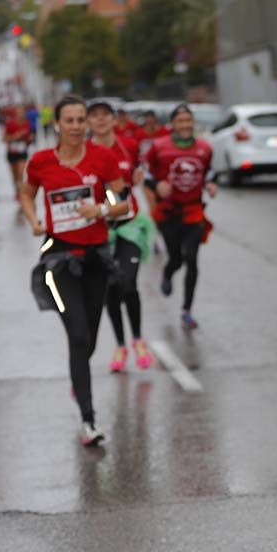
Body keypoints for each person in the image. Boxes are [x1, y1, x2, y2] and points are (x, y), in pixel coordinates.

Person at [19, 94, 130, 447]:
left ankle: (76, 375)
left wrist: (101, 209)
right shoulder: (40, 162)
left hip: (96, 256)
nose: (77, 126)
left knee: (90, 340)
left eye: (81, 120)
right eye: (70, 120)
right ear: (58, 125)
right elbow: (26, 193)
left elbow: (123, 202)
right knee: (78, 335)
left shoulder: (104, 158)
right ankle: (88, 421)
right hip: (59, 258)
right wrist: (34, 218)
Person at [86, 100, 155, 371]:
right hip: (100, 229)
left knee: (127, 282)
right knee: (109, 288)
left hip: (129, 225)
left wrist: (142, 176)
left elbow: (143, 170)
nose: (101, 120)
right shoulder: (84, 151)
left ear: (115, 120)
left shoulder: (129, 146)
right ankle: (120, 345)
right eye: (95, 115)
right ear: (88, 121)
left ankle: (137, 339)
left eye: (106, 115)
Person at [146, 105, 216, 329]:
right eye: (181, 121)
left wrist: (211, 184)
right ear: (173, 124)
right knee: (176, 258)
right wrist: (157, 186)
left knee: (192, 258)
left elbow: (209, 171)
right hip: (169, 213)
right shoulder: (159, 147)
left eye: (189, 120)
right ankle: (167, 274)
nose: (185, 125)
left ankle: (187, 310)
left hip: (193, 212)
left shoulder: (204, 148)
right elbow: (145, 174)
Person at [4, 105, 34, 194]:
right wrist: (16, 136)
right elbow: (4, 139)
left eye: (22, 112)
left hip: (22, 152)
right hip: (12, 152)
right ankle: (16, 189)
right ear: (15, 113)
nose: (21, 114)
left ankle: (20, 193)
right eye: (19, 112)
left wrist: (29, 140)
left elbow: (29, 138)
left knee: (21, 174)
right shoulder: (10, 124)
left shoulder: (27, 124)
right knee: (15, 175)